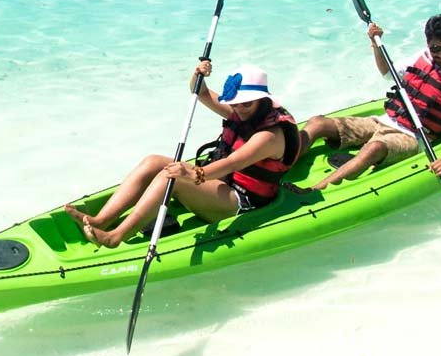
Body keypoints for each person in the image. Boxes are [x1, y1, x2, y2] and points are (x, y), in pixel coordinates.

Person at [66, 62, 300, 248]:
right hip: (222, 183)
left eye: (245, 104)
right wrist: (198, 75)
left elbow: (232, 162)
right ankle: (101, 220)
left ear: (262, 99)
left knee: (172, 177)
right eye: (235, 103)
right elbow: (201, 93)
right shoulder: (245, 111)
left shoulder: (269, 136)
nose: (238, 109)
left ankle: (115, 237)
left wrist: (193, 173)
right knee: (153, 162)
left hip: (241, 201)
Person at [301, 13, 441, 190]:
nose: (440, 55)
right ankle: (286, 163)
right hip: (382, 121)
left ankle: (314, 191)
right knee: (318, 123)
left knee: (373, 148)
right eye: (435, 48)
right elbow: (388, 73)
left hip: (413, 137)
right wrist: (375, 44)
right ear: (428, 43)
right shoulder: (422, 57)